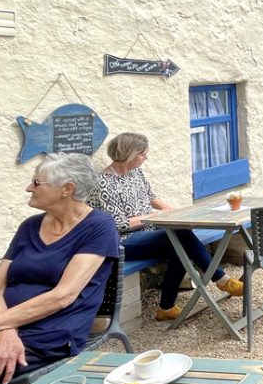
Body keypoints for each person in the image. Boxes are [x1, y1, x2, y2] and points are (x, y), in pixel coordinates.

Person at [0, 153, 119, 384]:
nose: (28, 188)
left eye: (36, 183)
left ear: (67, 189)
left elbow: (63, 296)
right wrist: (3, 332)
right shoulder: (30, 226)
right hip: (2, 329)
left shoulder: (99, 226)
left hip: (49, 336)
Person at [89, 133, 244, 321]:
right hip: (121, 241)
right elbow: (120, 224)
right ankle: (220, 279)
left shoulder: (135, 172)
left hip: (146, 232)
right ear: (129, 153)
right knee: (181, 236)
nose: (146, 158)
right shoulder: (104, 183)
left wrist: (166, 209)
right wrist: (155, 217)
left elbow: (149, 195)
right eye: (142, 154)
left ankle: (166, 308)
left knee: (180, 244)